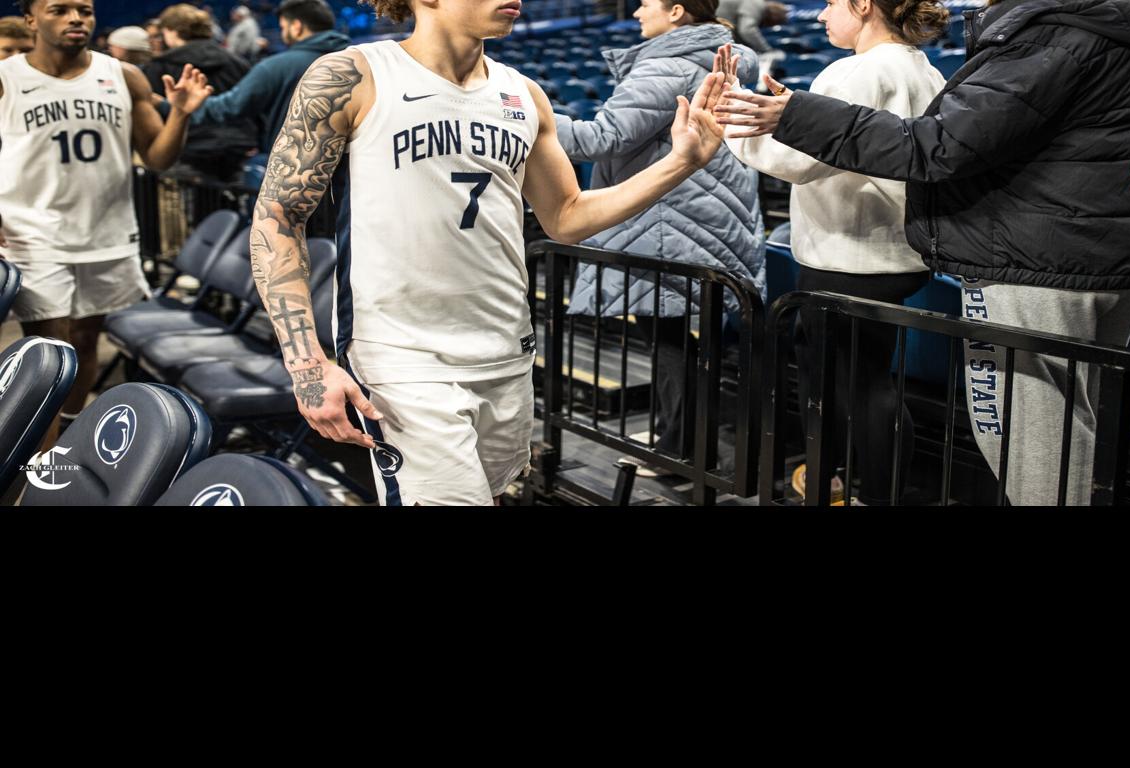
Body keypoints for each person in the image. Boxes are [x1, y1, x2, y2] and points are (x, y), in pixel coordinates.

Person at [247, 0, 733, 506]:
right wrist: (307, 364)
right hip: (402, 356)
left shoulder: (524, 93)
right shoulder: (353, 75)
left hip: (506, 351)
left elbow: (566, 216)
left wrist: (680, 162)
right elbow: (278, 218)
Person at [715, 0, 1130, 505]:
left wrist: (764, 116)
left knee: (1029, 442)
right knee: (1065, 429)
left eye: (832, 2)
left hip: (1028, 260)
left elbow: (941, 146)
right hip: (1105, 252)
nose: (819, 15)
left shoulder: (1057, 34)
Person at [720, 0, 946, 505]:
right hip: (895, 252)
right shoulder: (923, 68)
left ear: (863, 6)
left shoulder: (855, 71)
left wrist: (729, 118)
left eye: (829, 3)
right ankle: (852, 486)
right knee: (866, 380)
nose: (821, 15)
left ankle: (845, 488)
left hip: (848, 255)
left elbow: (796, 161)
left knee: (853, 385)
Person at [553, 0, 763, 470]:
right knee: (686, 340)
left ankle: (680, 449)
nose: (635, 14)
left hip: (669, 219)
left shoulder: (668, 66)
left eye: (645, 4)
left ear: (676, 12)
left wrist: (528, 116)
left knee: (670, 339)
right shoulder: (718, 57)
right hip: (702, 216)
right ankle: (684, 441)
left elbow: (602, 138)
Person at [0, 0, 211, 446]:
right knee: (51, 353)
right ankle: (44, 466)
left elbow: (157, 156)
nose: (77, 18)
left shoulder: (124, 75)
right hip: (33, 234)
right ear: (32, 20)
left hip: (108, 234)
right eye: (61, 9)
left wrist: (181, 114)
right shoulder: (6, 78)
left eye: (85, 10)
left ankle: (68, 436)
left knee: (84, 342)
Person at [190, 0, 349, 186]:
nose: (282, 33)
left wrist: (178, 106)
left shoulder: (276, 67)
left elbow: (230, 107)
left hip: (295, 179)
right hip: (351, 175)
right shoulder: (358, 61)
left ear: (296, 26)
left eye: (283, 27)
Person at [143, 3, 253, 182]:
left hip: (186, 154)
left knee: (183, 209)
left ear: (171, 31)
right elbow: (253, 106)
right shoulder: (237, 63)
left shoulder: (159, 66)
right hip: (236, 151)